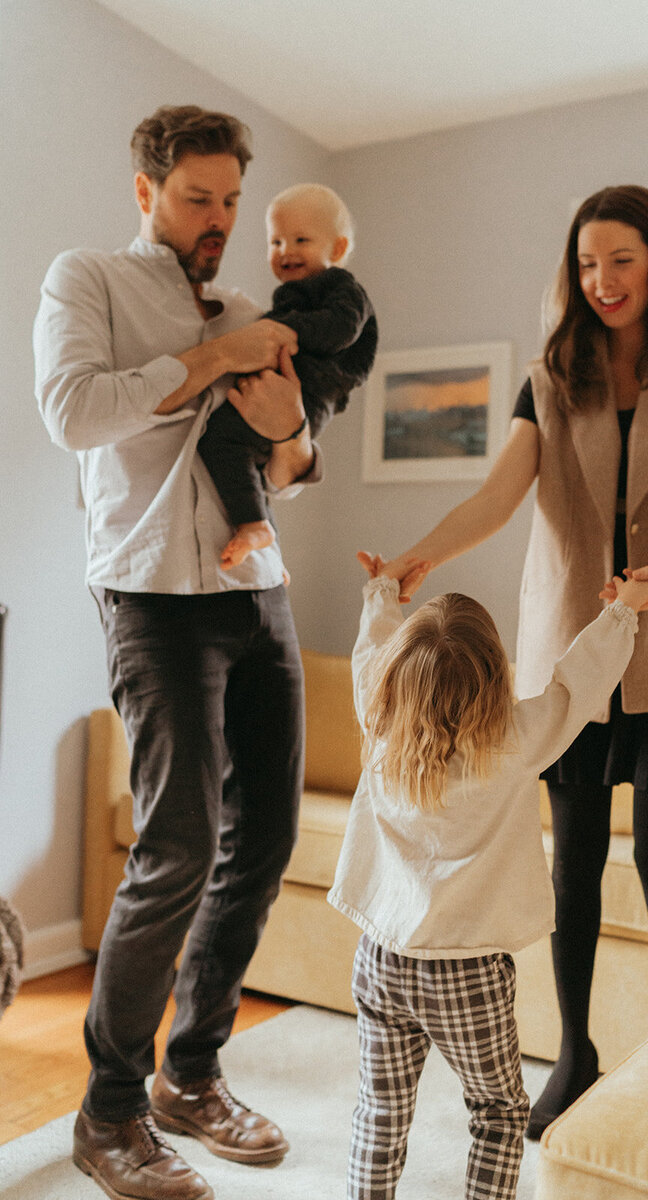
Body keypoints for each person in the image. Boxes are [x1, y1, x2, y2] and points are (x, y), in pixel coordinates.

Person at [372, 184, 648, 1141]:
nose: (602, 281)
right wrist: (424, 554)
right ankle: (575, 1057)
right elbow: (501, 496)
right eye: (587, 264)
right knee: (572, 867)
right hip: (570, 661)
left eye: (621, 260)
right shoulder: (551, 373)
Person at [34, 104, 324, 1200]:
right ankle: (107, 1114)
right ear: (147, 190)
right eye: (196, 197)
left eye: (230, 201)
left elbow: (296, 470)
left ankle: (190, 1078)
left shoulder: (250, 305)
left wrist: (293, 429)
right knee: (179, 846)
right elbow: (72, 411)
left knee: (267, 838)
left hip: (258, 590)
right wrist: (215, 359)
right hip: (152, 596)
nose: (217, 220)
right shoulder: (90, 280)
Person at [329, 560, 648, 1200]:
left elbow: (370, 651)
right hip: (468, 971)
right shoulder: (515, 739)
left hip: (381, 958)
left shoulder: (378, 721)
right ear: (494, 674)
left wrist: (382, 593)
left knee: (380, 1108)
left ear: (398, 676)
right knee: (499, 1111)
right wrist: (624, 610)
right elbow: (577, 684)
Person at [198, 182, 378, 569]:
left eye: (300, 239)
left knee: (226, 438)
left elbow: (341, 329)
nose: (286, 251)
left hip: (313, 392)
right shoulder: (291, 295)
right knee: (219, 438)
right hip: (286, 388)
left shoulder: (342, 288)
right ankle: (255, 523)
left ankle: (255, 524)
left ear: (338, 249)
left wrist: (283, 331)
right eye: (276, 242)